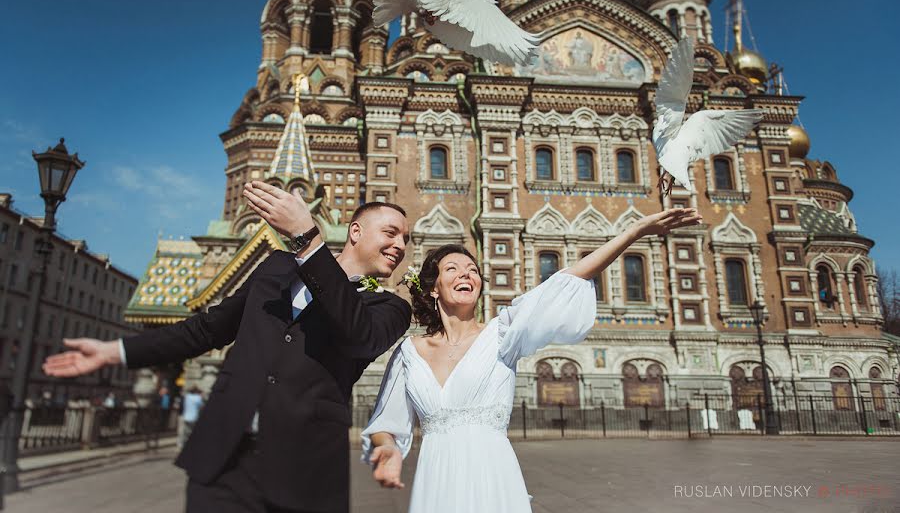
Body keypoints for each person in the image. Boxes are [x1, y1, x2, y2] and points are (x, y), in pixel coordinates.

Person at [42, 181, 412, 513]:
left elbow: (355, 333)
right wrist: (118, 351)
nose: (399, 246)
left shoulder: (389, 308)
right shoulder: (277, 269)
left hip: (304, 469)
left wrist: (306, 237)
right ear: (355, 232)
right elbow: (206, 329)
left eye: (405, 241)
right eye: (391, 233)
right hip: (224, 458)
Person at [361, 207, 702, 513]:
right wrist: (388, 449)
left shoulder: (503, 333)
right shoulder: (409, 353)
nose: (467, 275)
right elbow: (385, 424)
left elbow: (566, 281)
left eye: (473, 270)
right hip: (437, 479)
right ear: (433, 288)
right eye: (453, 269)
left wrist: (633, 233)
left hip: (494, 477)